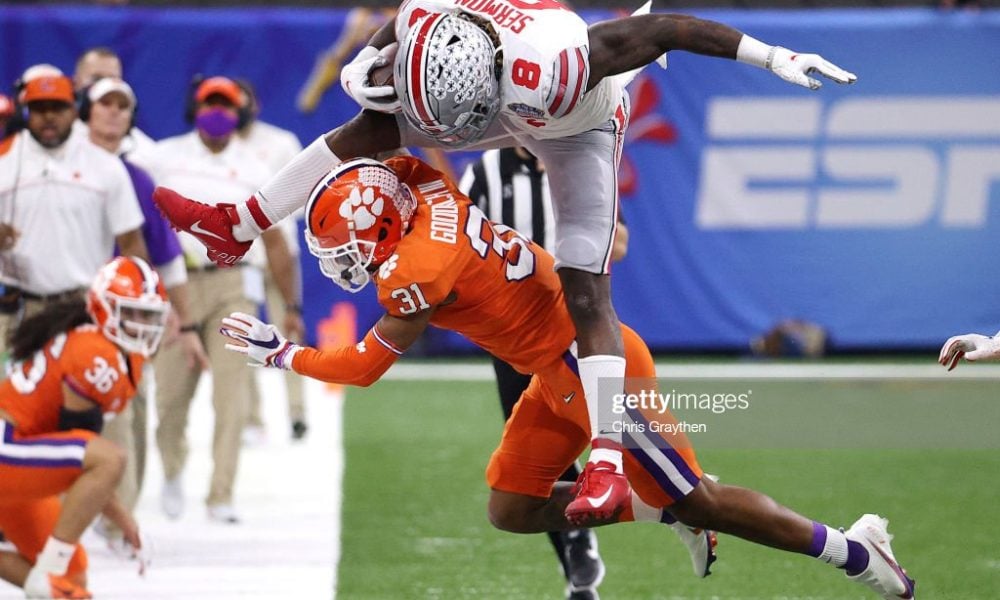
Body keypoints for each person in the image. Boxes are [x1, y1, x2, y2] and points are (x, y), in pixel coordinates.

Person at [152, 1, 858, 523]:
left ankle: (608, 459)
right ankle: (235, 222)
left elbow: (666, 29)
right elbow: (397, 36)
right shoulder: (425, 26)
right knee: (367, 126)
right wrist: (374, 57)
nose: (440, 139)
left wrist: (774, 56)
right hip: (482, 103)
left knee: (587, 287)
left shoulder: (562, 65)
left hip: (576, 123)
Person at [219, 157, 914, 600]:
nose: (341, 261)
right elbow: (393, 160)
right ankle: (656, 505)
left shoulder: (418, 272)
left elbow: (364, 367)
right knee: (511, 509)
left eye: (344, 248)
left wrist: (281, 353)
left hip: (589, 367)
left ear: (378, 232)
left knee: (704, 500)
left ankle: (855, 551)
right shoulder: (427, 191)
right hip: (550, 373)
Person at [460, 146, 631, 599]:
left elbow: (620, 242)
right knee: (537, 457)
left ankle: (683, 499)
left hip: (577, 330)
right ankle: (576, 560)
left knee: (608, 435)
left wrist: (577, 231)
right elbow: (457, 242)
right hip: (514, 336)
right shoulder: (486, 171)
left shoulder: (581, 160)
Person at [134, 76, 303, 524]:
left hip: (234, 283)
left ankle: (220, 492)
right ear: (195, 107)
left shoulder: (255, 167)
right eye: (210, 103)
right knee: (171, 396)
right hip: (178, 284)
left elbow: (277, 243)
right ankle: (172, 470)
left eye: (226, 105)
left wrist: (291, 307)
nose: (218, 112)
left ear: (240, 113)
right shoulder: (163, 156)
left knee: (231, 396)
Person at [82, 75, 210, 546]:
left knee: (129, 409)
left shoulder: (135, 176)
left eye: (122, 105)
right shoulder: (54, 166)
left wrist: (188, 321)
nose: (113, 113)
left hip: (124, 314)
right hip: (65, 305)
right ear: (86, 112)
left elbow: (167, 254)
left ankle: (117, 515)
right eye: (104, 104)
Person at [0, 256, 169, 599]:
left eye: (147, 315)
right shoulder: (96, 353)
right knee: (110, 459)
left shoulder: (118, 354)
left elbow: (82, 463)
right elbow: (91, 461)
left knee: (72, 579)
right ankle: (47, 574)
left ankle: (48, 576)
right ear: (105, 308)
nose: (142, 324)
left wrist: (122, 518)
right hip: (8, 445)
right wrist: (123, 517)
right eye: (132, 312)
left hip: (20, 459)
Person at [0, 67, 148, 355]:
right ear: (26, 113)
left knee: (98, 394)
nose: (49, 116)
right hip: (20, 306)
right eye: (39, 108)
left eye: (57, 107)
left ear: (75, 111)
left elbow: (131, 242)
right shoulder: (4, 160)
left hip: (86, 304)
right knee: (13, 399)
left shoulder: (105, 166)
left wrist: (135, 304)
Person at [236, 80, 309, 441]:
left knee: (288, 329)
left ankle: (297, 412)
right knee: (244, 335)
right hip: (241, 259)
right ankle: (252, 417)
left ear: (256, 103)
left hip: (279, 255)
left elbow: (300, 199)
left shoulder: (280, 143)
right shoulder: (219, 149)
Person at [72, 47, 156, 156]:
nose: (105, 85)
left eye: (111, 78)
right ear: (76, 81)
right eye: (97, 79)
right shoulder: (59, 136)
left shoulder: (143, 150)